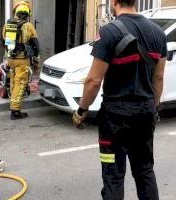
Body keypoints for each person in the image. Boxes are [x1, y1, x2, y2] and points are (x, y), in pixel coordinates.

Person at [72, 0, 167, 199]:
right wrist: (153, 108)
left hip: (115, 118)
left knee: (113, 176)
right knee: (145, 171)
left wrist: (82, 110)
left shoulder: (109, 32)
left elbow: (93, 80)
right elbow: (158, 77)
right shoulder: (158, 33)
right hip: (145, 113)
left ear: (114, 2)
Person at [3, 1, 40, 120]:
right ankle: (15, 111)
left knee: (14, 81)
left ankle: (12, 105)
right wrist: (36, 62)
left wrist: (6, 59)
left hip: (10, 59)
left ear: (16, 12)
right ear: (27, 13)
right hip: (22, 61)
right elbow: (36, 46)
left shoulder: (8, 24)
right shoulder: (28, 26)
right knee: (20, 84)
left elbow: (5, 43)